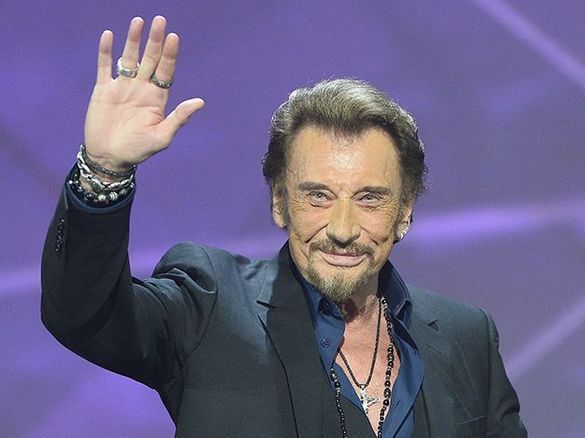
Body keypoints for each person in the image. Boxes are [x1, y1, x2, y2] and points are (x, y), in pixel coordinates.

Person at [41, 15, 527, 437]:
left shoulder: (467, 336)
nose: (342, 228)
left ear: (404, 210)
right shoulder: (209, 302)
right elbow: (84, 315)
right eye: (318, 196)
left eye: (369, 199)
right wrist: (104, 170)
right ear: (279, 202)